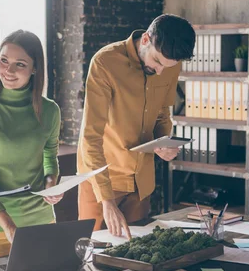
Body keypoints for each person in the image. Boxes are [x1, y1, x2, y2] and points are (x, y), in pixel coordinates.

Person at [77, 14, 195, 238]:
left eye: (169, 66)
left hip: (141, 181)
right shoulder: (105, 63)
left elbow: (162, 113)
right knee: (93, 256)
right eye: (157, 62)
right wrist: (106, 200)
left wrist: (165, 143)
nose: (161, 71)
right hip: (102, 181)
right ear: (145, 40)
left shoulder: (169, 64)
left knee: (136, 257)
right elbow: (90, 136)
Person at [0, 30, 63, 263]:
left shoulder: (50, 110)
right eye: (4, 60)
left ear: (34, 69)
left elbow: (50, 155)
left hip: (40, 223)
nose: (8, 71)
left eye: (20, 64)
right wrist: (7, 225)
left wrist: (51, 181)